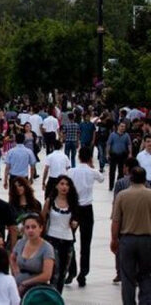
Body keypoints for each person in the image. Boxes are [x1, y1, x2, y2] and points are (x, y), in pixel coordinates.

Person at [111, 166, 151, 305]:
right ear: (145, 179)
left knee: (127, 277)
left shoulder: (122, 195)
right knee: (146, 275)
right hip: (147, 240)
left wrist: (114, 240)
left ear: (131, 178)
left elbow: (116, 221)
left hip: (127, 240)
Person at [67, 145, 103, 287]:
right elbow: (101, 179)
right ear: (89, 158)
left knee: (70, 240)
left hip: (74, 209)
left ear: (78, 156)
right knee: (86, 243)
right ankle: (83, 273)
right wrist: (92, 166)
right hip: (87, 209)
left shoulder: (71, 172)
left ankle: (72, 270)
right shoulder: (92, 171)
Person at [41, 174, 79, 293]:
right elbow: (42, 219)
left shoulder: (73, 203)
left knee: (63, 272)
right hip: (52, 239)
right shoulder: (50, 201)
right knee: (55, 271)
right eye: (62, 184)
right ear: (56, 186)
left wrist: (75, 223)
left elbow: (76, 220)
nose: (64, 187)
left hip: (68, 240)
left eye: (67, 184)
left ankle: (58, 296)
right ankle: (52, 297)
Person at [10, 212, 54, 296]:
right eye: (27, 227)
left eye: (34, 227)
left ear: (40, 228)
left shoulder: (47, 248)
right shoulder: (20, 243)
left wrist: (25, 283)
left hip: (36, 289)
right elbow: (12, 258)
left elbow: (47, 275)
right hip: (18, 285)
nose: (30, 230)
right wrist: (15, 272)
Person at [7, 177, 42, 241]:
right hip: (16, 238)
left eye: (20, 185)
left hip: (32, 238)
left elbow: (40, 221)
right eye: (15, 187)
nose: (18, 188)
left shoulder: (36, 204)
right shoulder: (11, 205)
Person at [107, 121, 132, 190]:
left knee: (121, 171)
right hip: (114, 155)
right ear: (118, 126)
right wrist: (107, 153)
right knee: (112, 171)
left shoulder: (126, 135)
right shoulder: (112, 135)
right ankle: (111, 186)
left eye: (124, 127)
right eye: (121, 126)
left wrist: (130, 153)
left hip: (122, 155)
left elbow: (129, 144)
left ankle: (119, 185)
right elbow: (109, 144)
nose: (122, 128)